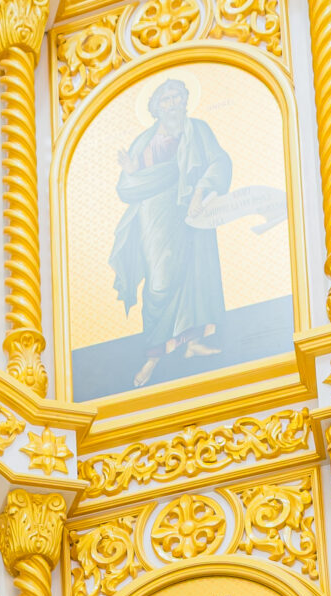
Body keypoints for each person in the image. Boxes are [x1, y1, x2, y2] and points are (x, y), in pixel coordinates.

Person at [108, 78, 231, 389]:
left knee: (196, 276)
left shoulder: (198, 130)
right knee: (159, 283)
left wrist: (200, 190)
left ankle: (193, 343)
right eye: (166, 99)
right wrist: (133, 173)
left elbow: (219, 161)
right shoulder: (143, 142)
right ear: (156, 107)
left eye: (177, 97)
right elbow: (126, 187)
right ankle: (153, 355)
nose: (173, 103)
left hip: (190, 215)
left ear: (185, 101)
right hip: (154, 221)